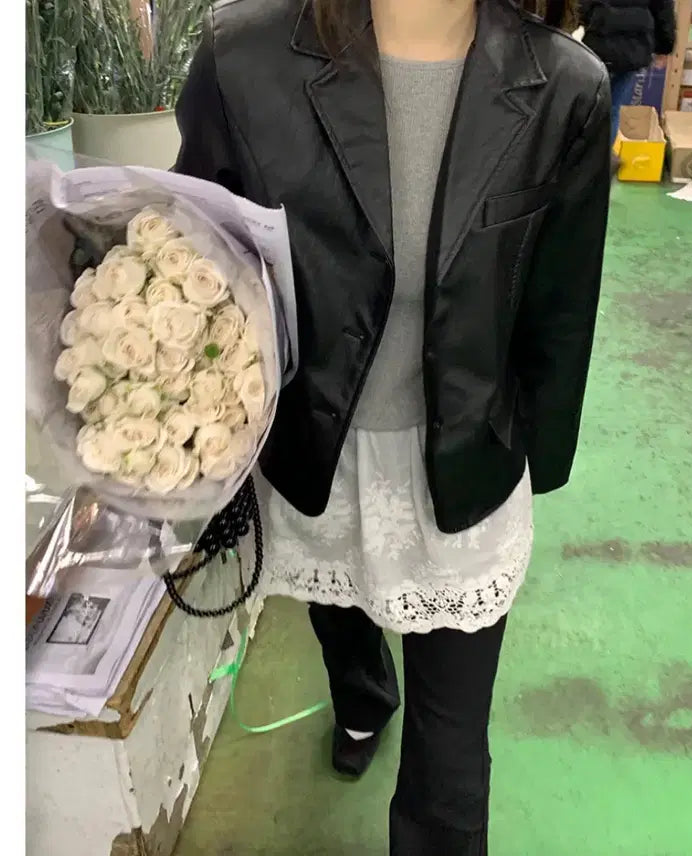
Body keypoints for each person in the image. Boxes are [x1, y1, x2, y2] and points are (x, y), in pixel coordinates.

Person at [175, 0, 609, 852]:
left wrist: (532, 461)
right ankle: (363, 696)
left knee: (450, 773)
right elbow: (191, 249)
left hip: (464, 460)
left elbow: (561, 304)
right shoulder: (244, 58)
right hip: (315, 444)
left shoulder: (564, 88)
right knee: (340, 607)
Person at [577, 0, 677, 144]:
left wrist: (588, 20)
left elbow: (581, 6)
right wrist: (664, 46)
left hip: (598, 42)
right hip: (632, 49)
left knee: (587, 108)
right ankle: (604, 155)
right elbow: (663, 9)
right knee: (612, 109)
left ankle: (582, 152)